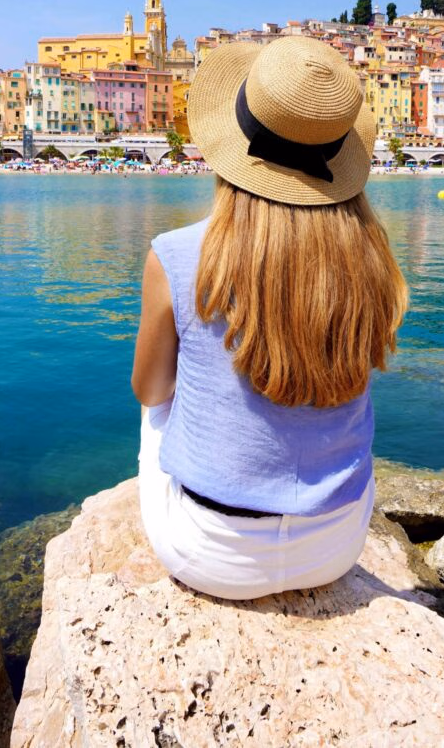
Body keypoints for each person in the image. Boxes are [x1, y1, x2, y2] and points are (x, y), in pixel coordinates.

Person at [131, 37, 407, 600]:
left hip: (209, 554)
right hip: (336, 543)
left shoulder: (176, 254)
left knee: (157, 411)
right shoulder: (372, 256)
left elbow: (151, 390)